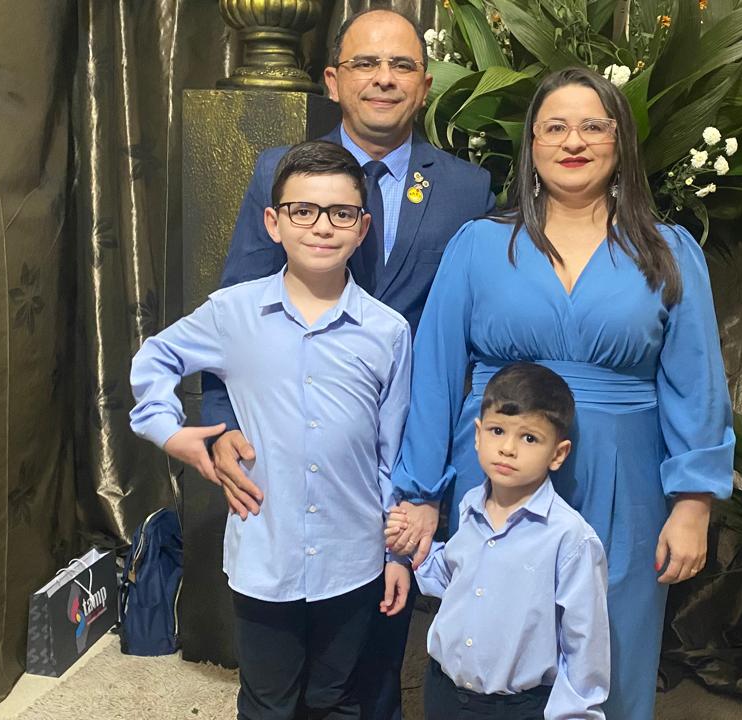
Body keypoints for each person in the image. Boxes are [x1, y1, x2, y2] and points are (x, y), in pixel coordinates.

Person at [385, 67, 736, 720]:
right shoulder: (479, 246)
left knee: (611, 647)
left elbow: (698, 385)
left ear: (620, 141)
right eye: (555, 127)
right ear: (533, 144)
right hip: (497, 473)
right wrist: (421, 494)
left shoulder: (668, 251)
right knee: (492, 653)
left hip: (623, 483)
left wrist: (694, 503)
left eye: (593, 126)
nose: (574, 141)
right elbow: (434, 376)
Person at [201, 8, 494, 719]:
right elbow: (234, 312)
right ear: (333, 81)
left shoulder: (468, 189)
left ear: (424, 85)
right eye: (365, 63)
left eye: (401, 66)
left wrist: (435, 480)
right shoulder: (281, 173)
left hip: (405, 449)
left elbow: (470, 340)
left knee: (375, 660)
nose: (383, 79)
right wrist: (218, 424)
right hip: (291, 450)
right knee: (278, 666)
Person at [130, 140, 413, 719]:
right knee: (267, 700)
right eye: (302, 210)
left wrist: (397, 555)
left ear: (362, 228)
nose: (322, 226)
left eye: (341, 213)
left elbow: (393, 453)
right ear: (273, 222)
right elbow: (155, 358)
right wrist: (174, 432)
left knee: (337, 697)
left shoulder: (387, 332)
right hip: (266, 554)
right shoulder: (232, 313)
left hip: (353, 557)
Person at [389, 362, 610, 720]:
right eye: (497, 430)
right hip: (444, 692)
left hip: (515, 707)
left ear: (558, 454)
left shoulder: (570, 538)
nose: (507, 448)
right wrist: (412, 547)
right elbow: (455, 577)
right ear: (477, 435)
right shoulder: (470, 506)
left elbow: (584, 640)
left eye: (529, 438)